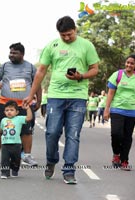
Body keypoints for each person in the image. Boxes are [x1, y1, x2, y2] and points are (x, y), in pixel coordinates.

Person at [23, 16, 100, 184]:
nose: (66, 38)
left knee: (73, 134)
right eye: (63, 35)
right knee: (52, 132)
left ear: (75, 30)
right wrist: (30, 95)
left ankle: (69, 170)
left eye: (69, 34)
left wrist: (81, 76)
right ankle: (51, 161)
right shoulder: (52, 45)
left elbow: (95, 69)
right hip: (56, 96)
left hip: (78, 97)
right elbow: (41, 71)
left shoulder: (87, 45)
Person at [0, 42, 41, 166]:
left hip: (24, 105)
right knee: (1, 130)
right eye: (10, 52)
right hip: (5, 104)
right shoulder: (5, 66)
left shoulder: (31, 67)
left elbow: (37, 84)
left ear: (22, 54)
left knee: (27, 131)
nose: (11, 55)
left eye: (14, 53)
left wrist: (38, 100)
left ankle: (27, 156)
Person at [103, 54, 135, 171]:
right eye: (127, 62)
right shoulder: (117, 75)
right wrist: (106, 109)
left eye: (132, 63)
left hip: (132, 112)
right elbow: (111, 93)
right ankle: (116, 154)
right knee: (116, 134)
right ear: (125, 63)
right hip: (117, 109)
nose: (129, 65)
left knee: (127, 137)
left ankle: (124, 160)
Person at [0, 100, 32, 179]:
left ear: (17, 112)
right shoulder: (3, 120)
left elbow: (29, 118)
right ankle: (4, 172)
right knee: (4, 159)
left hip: (16, 144)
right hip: (5, 143)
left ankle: (15, 170)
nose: (9, 112)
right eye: (7, 110)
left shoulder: (19, 119)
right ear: (4, 112)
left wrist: (28, 109)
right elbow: (2, 131)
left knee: (16, 159)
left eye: (11, 110)